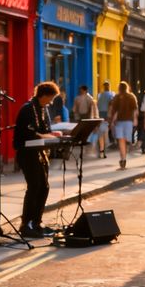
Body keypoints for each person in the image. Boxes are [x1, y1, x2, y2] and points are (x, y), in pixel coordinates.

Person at [13, 82, 64, 238]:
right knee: (34, 186)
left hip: (40, 152)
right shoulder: (28, 109)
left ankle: (37, 221)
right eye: (50, 98)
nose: (51, 101)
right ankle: (26, 223)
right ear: (44, 95)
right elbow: (31, 133)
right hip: (27, 153)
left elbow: (46, 131)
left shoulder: (43, 109)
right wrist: (48, 136)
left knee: (44, 186)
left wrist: (52, 135)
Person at [107, 81, 138, 169]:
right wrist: (135, 119)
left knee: (121, 140)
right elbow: (135, 109)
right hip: (128, 121)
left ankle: (123, 158)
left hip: (119, 122)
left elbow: (114, 111)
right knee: (125, 140)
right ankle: (124, 156)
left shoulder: (117, 97)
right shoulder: (131, 96)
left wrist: (112, 121)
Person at [72, 85, 98, 157]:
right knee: (83, 130)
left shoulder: (89, 98)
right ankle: (83, 141)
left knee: (84, 130)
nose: (80, 91)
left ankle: (84, 141)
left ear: (85, 90)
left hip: (86, 116)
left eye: (81, 89)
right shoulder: (79, 98)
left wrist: (92, 117)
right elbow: (75, 108)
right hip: (82, 116)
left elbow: (92, 109)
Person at [95, 81, 115, 158]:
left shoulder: (100, 95)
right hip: (107, 115)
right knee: (105, 133)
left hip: (100, 115)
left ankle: (101, 150)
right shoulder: (111, 94)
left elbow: (97, 105)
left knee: (101, 132)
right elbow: (111, 105)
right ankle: (103, 150)